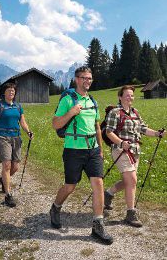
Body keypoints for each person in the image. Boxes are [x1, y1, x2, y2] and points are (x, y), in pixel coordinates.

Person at [50, 66, 113, 245]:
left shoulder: (93, 101)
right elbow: (55, 124)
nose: (88, 81)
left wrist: (100, 149)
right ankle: (55, 207)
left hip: (92, 149)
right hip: (73, 149)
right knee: (70, 186)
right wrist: (71, 112)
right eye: (84, 78)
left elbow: (96, 127)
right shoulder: (68, 100)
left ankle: (97, 225)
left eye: (90, 78)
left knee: (98, 184)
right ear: (76, 79)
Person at [104, 85, 166, 227]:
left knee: (129, 181)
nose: (130, 97)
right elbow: (109, 132)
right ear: (120, 97)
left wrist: (158, 133)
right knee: (132, 180)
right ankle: (130, 214)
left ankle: (108, 194)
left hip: (135, 151)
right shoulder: (115, 112)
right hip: (120, 151)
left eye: (132, 95)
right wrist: (121, 143)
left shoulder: (135, 112)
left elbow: (143, 129)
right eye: (127, 95)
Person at [0, 82, 33, 207]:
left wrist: (28, 132)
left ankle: (3, 179)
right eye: (9, 90)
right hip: (2, 137)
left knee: (15, 167)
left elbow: (23, 122)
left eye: (13, 90)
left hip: (16, 137)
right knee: (7, 165)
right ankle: (8, 195)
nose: (11, 92)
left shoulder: (18, 107)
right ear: (4, 92)